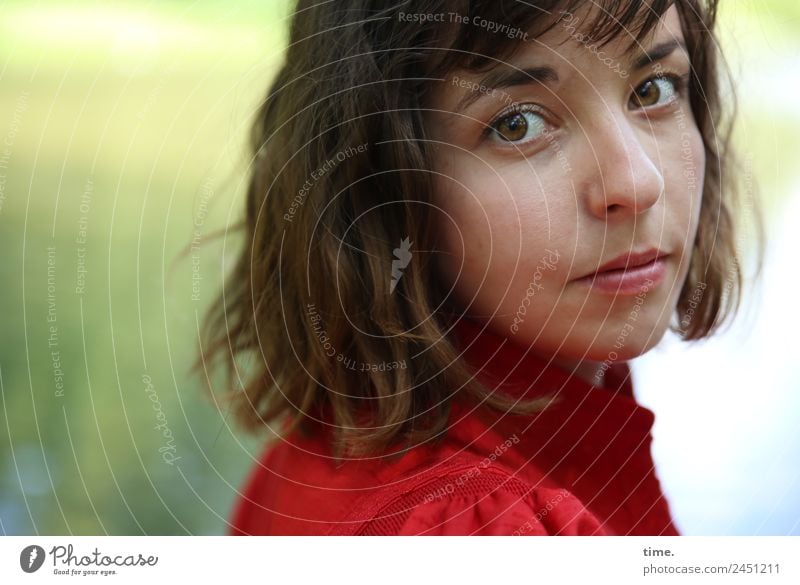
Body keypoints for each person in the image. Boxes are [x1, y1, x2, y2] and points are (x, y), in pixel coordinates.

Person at [198, 0, 752, 535]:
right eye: (517, 124)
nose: (638, 182)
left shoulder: (326, 445)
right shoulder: (474, 529)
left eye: (653, 89)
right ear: (385, 188)